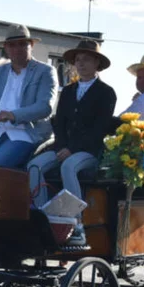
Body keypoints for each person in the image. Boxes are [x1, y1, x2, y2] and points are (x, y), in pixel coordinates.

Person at [27, 39, 116, 244]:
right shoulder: (68, 91)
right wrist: (62, 145)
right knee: (34, 166)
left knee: (69, 166)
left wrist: (72, 149)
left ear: (97, 64)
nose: (81, 64)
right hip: (63, 147)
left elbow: (99, 128)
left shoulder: (106, 93)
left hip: (89, 151)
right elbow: (59, 123)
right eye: (78, 60)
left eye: (86, 60)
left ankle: (76, 224)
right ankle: (43, 219)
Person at [0, 24, 59, 169]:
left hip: (26, 132)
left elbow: (45, 107)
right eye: (12, 45)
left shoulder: (46, 71)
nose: (17, 49)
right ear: (6, 48)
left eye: (22, 44)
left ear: (31, 45)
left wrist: (13, 115)